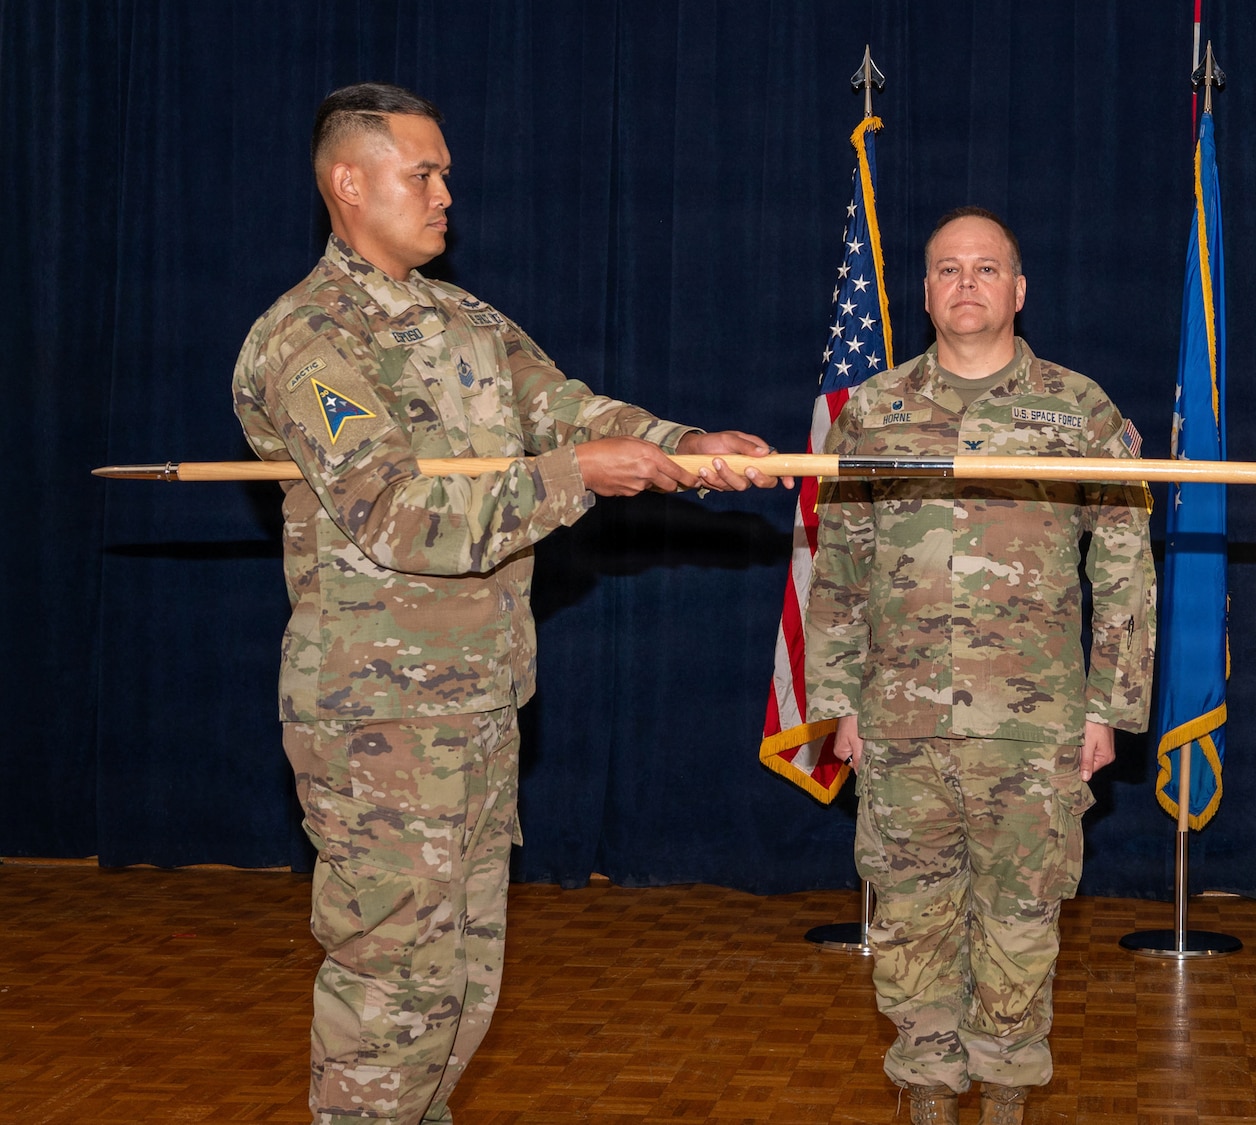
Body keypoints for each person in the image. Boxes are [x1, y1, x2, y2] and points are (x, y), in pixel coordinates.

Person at [231, 82, 785, 1125]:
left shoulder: (465, 320)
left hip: (479, 703)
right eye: (422, 174)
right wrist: (579, 477)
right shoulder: (307, 339)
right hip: (377, 720)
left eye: (445, 173)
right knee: (392, 986)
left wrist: (682, 446)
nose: (446, 194)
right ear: (349, 183)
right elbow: (398, 515)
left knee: (461, 984)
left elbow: (565, 409)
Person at [804, 207, 1156, 1125]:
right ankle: (925, 1089)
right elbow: (839, 561)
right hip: (899, 716)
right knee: (910, 916)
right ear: (925, 292)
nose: (967, 283)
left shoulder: (1079, 409)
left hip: (1034, 725)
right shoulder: (873, 411)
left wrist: (1108, 707)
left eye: (987, 268)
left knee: (1020, 920)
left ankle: (1005, 1092)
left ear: (1019, 289)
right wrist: (839, 699)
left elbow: (1123, 565)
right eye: (949, 269)